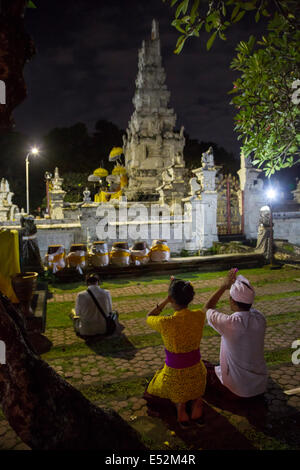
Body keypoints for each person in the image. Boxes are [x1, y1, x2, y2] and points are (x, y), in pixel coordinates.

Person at [145, 277, 207, 428]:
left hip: (174, 376)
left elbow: (149, 317)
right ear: (190, 298)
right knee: (196, 386)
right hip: (197, 374)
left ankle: (181, 407)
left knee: (156, 387)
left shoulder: (166, 323)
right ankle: (197, 403)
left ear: (172, 299)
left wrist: (165, 301)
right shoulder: (199, 316)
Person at [203, 268, 268, 398]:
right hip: (259, 386)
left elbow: (207, 308)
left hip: (237, 389)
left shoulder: (230, 323)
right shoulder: (260, 319)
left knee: (199, 368)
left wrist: (223, 287)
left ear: (231, 300)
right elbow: (247, 305)